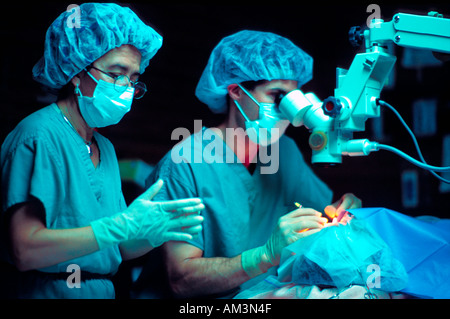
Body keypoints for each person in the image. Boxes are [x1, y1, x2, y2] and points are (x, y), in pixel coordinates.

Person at [0, 3, 204, 299]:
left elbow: (116, 247)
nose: (125, 88)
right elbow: (25, 250)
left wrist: (149, 235)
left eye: (133, 79)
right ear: (76, 71)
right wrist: (114, 227)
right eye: (115, 74)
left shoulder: (104, 148)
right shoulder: (38, 136)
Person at [143, 30, 361, 298]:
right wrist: (265, 255)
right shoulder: (185, 163)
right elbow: (182, 280)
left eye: (294, 99)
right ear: (236, 90)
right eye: (277, 97)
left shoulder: (285, 151)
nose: (288, 111)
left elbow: (320, 217)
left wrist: (344, 209)